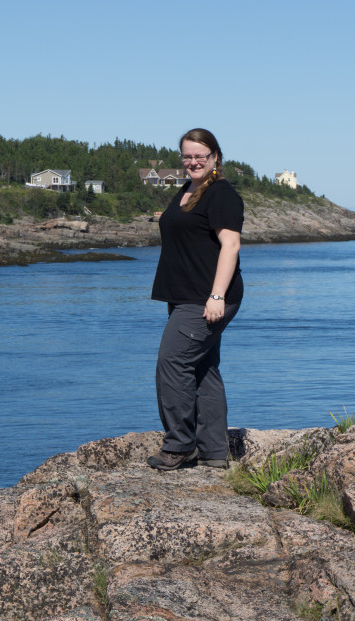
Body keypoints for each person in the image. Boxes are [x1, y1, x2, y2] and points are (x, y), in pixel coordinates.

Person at [147, 128, 244, 471]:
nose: (193, 162)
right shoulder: (187, 190)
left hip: (209, 297)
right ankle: (214, 451)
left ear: (215, 157)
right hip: (184, 295)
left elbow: (230, 246)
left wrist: (216, 296)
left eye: (200, 156)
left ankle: (179, 445)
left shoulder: (221, 194)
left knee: (171, 363)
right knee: (202, 368)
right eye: (187, 156)